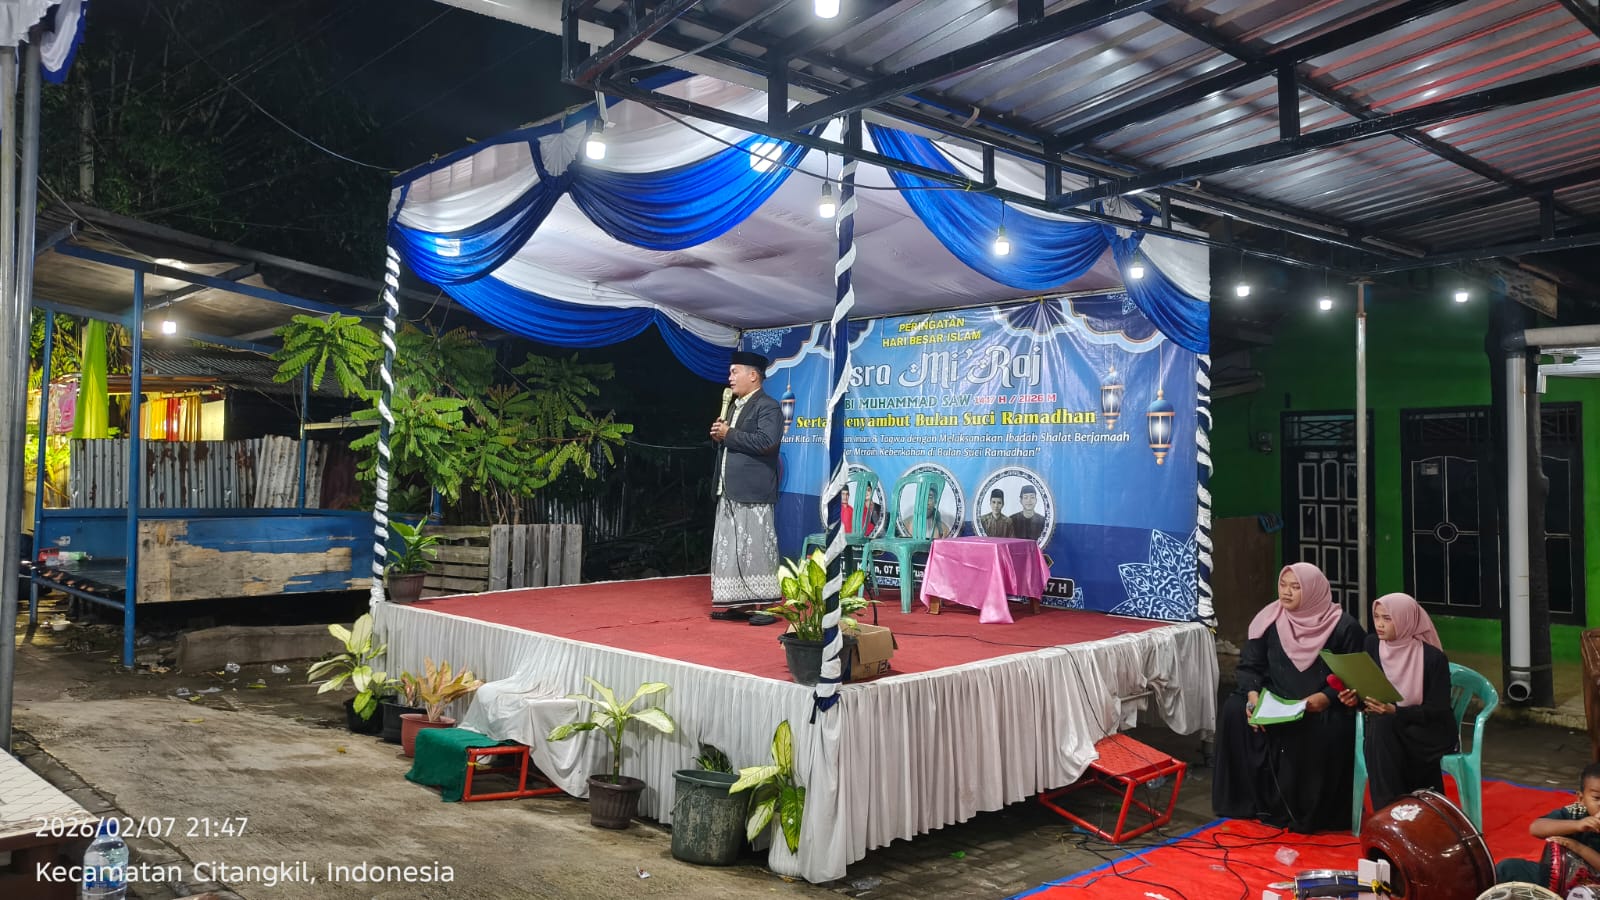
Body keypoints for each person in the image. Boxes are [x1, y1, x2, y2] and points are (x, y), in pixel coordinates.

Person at [1212, 562, 1366, 832]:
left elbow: (1355, 676)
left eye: (1296, 587)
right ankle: (1250, 803)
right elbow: (1249, 666)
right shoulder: (1269, 619)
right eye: (1283, 585)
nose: (1286, 592)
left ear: (1313, 591)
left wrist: (1326, 697)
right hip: (1276, 697)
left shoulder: (1343, 627)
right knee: (1234, 709)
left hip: (1318, 703)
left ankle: (1308, 812)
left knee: (1325, 726)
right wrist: (1253, 699)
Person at [1338, 592, 1456, 815]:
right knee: (1381, 723)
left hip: (1425, 730)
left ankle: (1389, 812)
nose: (1379, 624)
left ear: (1405, 619)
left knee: (1382, 726)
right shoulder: (1372, 644)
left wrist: (1397, 711)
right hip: (1388, 726)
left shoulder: (1432, 657)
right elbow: (1370, 691)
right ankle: (1391, 813)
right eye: (1376, 617)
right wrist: (1355, 700)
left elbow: (1438, 709)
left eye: (1387, 618)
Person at [709, 350, 785, 625]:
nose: (729, 377)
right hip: (729, 489)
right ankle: (738, 603)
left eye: (734, 372)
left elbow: (767, 442)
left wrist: (729, 434)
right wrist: (719, 436)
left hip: (753, 492)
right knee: (731, 549)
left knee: (757, 548)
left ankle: (768, 605)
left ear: (753, 376)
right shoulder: (733, 406)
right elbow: (733, 442)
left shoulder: (768, 406)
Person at [1495, 762, 1600, 885]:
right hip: (1557, 876)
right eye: (1597, 798)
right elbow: (1536, 828)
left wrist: (1578, 848)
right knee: (1507, 868)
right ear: (1581, 799)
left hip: (1593, 885)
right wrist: (1576, 825)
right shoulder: (1576, 812)